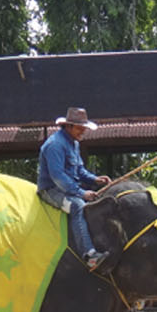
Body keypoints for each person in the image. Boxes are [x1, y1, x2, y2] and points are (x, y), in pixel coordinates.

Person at [36, 106, 111, 269]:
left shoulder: (74, 144)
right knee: (78, 206)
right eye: (79, 128)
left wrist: (95, 179)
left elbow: (80, 171)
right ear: (68, 126)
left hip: (68, 188)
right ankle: (89, 256)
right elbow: (58, 177)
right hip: (51, 190)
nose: (83, 131)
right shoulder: (55, 145)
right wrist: (81, 193)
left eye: (84, 128)